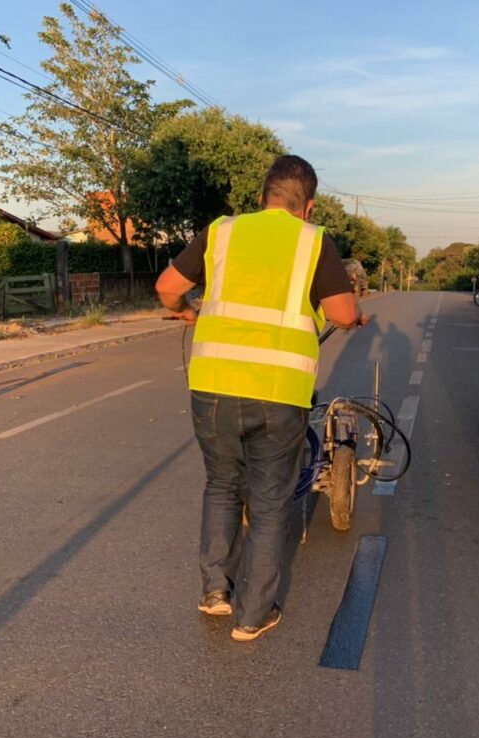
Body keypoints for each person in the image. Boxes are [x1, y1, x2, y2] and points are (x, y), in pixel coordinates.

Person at [156, 155, 368, 642]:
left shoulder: (223, 231)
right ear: (309, 206)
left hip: (211, 385)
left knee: (222, 485)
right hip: (278, 392)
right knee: (271, 501)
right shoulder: (315, 242)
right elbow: (339, 309)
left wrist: (189, 311)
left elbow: (167, 288)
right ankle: (253, 615)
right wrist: (354, 317)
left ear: (261, 199)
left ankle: (214, 592)